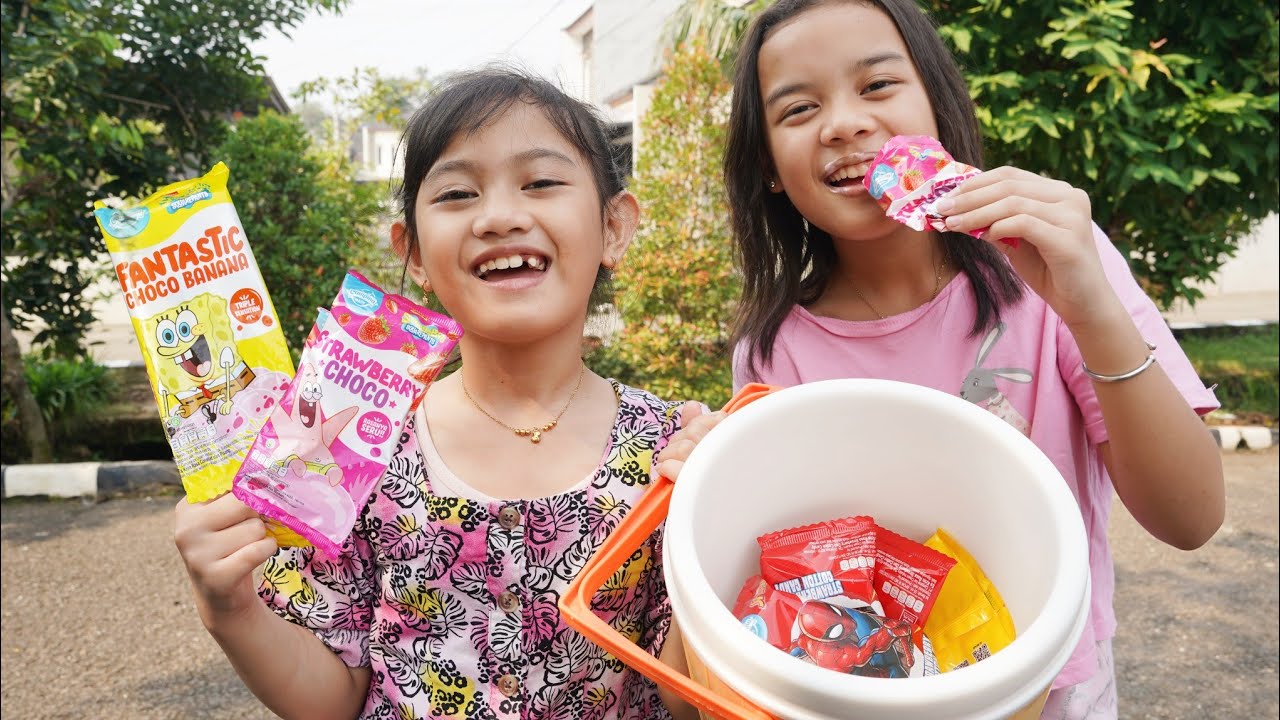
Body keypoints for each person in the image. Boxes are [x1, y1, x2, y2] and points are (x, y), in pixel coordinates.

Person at [656, 2, 1225, 718]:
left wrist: (1091, 309)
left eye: (877, 86)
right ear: (768, 167)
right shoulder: (774, 351)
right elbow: (799, 579)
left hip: (1054, 693)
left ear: (939, 106)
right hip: (872, 696)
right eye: (798, 108)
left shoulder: (1052, 266)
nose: (844, 122)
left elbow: (1192, 518)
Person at [175, 66, 699, 720]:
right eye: (457, 194)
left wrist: (716, 495)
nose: (500, 216)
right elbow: (332, 699)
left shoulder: (672, 449)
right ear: (413, 252)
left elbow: (687, 698)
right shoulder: (357, 444)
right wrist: (230, 610)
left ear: (615, 226)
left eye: (540, 182)